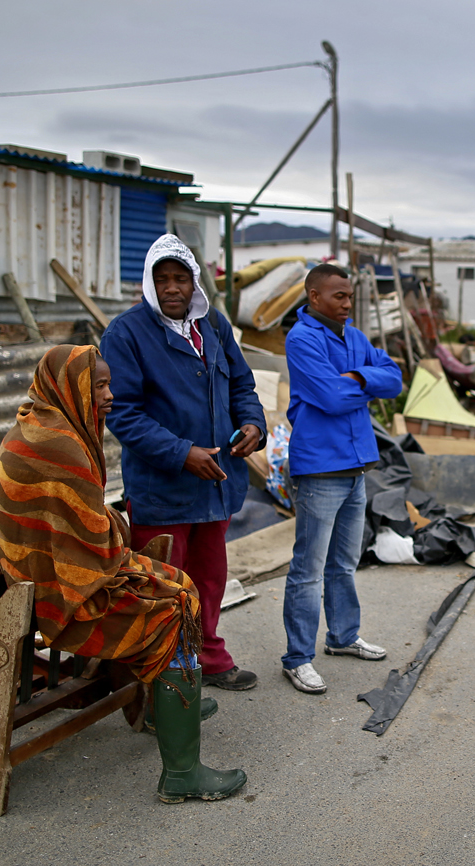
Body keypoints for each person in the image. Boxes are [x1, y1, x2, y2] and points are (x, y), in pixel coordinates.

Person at [0, 344, 246, 802]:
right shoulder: (61, 448)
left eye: (109, 384)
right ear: (71, 387)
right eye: (100, 385)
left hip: (36, 577)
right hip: (59, 595)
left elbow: (85, 529)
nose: (110, 395)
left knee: (178, 585)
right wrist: (114, 532)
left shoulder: (38, 421)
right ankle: (182, 774)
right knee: (173, 608)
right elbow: (95, 548)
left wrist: (110, 530)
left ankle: (159, 710)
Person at [99, 235, 267, 692]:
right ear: (149, 285)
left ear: (195, 282)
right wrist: (181, 454)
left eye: (181, 278)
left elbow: (243, 387)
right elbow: (123, 412)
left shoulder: (212, 325)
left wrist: (254, 424)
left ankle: (208, 656)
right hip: (163, 489)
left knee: (210, 578)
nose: (172, 287)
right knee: (163, 586)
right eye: (162, 279)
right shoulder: (126, 333)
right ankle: (168, 671)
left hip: (215, 484)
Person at [280, 263, 403, 694]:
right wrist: (367, 382)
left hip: (356, 466)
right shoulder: (302, 339)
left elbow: (395, 380)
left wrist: (359, 377)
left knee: (344, 563)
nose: (347, 303)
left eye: (350, 296)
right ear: (314, 297)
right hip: (320, 469)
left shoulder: (356, 338)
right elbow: (331, 399)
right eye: (339, 296)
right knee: (308, 568)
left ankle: (343, 637)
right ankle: (298, 658)